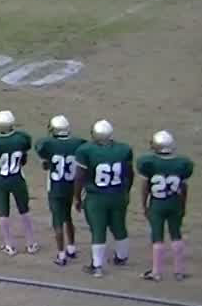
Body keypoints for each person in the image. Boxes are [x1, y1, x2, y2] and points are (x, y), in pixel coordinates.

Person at [73, 119, 133, 277]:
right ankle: (121, 257)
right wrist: (126, 191)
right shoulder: (124, 149)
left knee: (98, 230)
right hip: (118, 194)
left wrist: (77, 197)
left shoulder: (85, 150)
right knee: (119, 226)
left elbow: (79, 177)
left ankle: (97, 266)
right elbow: (129, 174)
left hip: (96, 197)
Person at [138, 130, 193, 281]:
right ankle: (179, 271)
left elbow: (145, 187)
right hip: (174, 202)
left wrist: (144, 205)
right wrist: (183, 205)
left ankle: (156, 271)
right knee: (176, 234)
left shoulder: (148, 163)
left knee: (157, 236)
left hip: (157, 204)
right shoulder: (183, 163)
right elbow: (184, 188)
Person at [0, 111, 39, 256]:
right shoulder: (22, 138)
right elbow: (24, 160)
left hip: (1, 179)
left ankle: (9, 245)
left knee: (3, 211)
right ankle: (31, 243)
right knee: (24, 209)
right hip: (18, 177)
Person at [35, 115, 86, 266]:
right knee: (67, 217)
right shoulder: (78, 143)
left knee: (57, 221)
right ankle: (71, 247)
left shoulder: (47, 144)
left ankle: (61, 254)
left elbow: (45, 164)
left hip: (56, 187)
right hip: (71, 186)